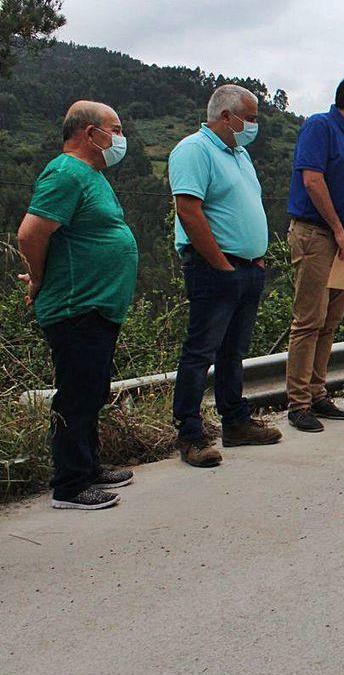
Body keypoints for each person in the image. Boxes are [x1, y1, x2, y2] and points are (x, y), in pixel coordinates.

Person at [16, 101, 138, 510]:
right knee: (77, 393)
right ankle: (69, 485)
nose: (120, 139)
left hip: (96, 305)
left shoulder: (91, 175)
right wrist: (38, 278)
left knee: (92, 389)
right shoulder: (66, 172)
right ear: (90, 134)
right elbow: (30, 234)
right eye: (115, 130)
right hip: (75, 305)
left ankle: (88, 466)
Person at [169, 84, 282, 467]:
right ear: (225, 116)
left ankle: (235, 422)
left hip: (247, 268)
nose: (253, 125)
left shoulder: (240, 154)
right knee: (200, 352)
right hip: (214, 268)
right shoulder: (193, 150)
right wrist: (219, 262)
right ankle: (190, 435)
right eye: (249, 118)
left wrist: (256, 258)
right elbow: (188, 209)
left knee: (233, 351)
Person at [284, 73, 344, 432]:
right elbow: (312, 180)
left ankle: (317, 391)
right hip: (318, 235)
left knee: (330, 321)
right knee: (309, 319)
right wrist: (339, 231)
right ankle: (298, 403)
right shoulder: (319, 127)